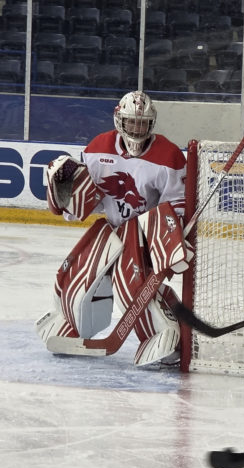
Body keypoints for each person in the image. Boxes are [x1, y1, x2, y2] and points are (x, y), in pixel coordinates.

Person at [36, 90, 191, 366]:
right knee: (75, 272)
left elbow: (176, 207)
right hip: (110, 228)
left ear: (151, 123)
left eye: (142, 124)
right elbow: (89, 200)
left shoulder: (169, 155)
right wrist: (64, 194)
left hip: (144, 234)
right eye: (132, 122)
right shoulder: (98, 148)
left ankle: (163, 334)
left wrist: (169, 242)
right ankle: (70, 324)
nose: (137, 129)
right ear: (119, 120)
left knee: (130, 285)